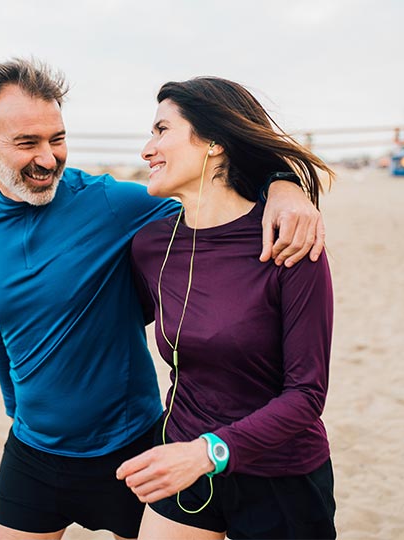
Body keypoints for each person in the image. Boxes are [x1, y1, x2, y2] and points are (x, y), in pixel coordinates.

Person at [0, 58, 325, 540]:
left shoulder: (112, 203)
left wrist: (282, 185)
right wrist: (14, 406)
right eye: (27, 143)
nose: (47, 158)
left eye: (57, 139)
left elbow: (212, 199)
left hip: (131, 446)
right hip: (32, 451)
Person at [115, 77, 336, 539]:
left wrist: (207, 452)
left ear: (214, 142)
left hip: (281, 478)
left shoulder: (288, 240)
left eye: (161, 131)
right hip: (183, 465)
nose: (147, 149)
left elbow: (306, 396)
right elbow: (111, 323)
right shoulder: (151, 244)